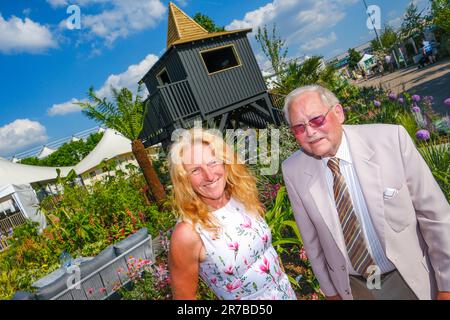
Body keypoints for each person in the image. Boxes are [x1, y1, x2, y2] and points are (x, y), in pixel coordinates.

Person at [281, 84, 450, 300]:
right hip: (354, 288)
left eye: (316, 120)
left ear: (338, 113)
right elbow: (311, 242)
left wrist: (446, 285)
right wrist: (331, 292)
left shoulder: (390, 140)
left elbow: (435, 217)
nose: (310, 132)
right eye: (299, 127)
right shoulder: (293, 169)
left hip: (408, 279)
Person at [168, 128, 296, 300]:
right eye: (195, 170)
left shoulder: (241, 197)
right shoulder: (187, 233)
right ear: (184, 180)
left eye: (213, 162)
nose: (209, 175)